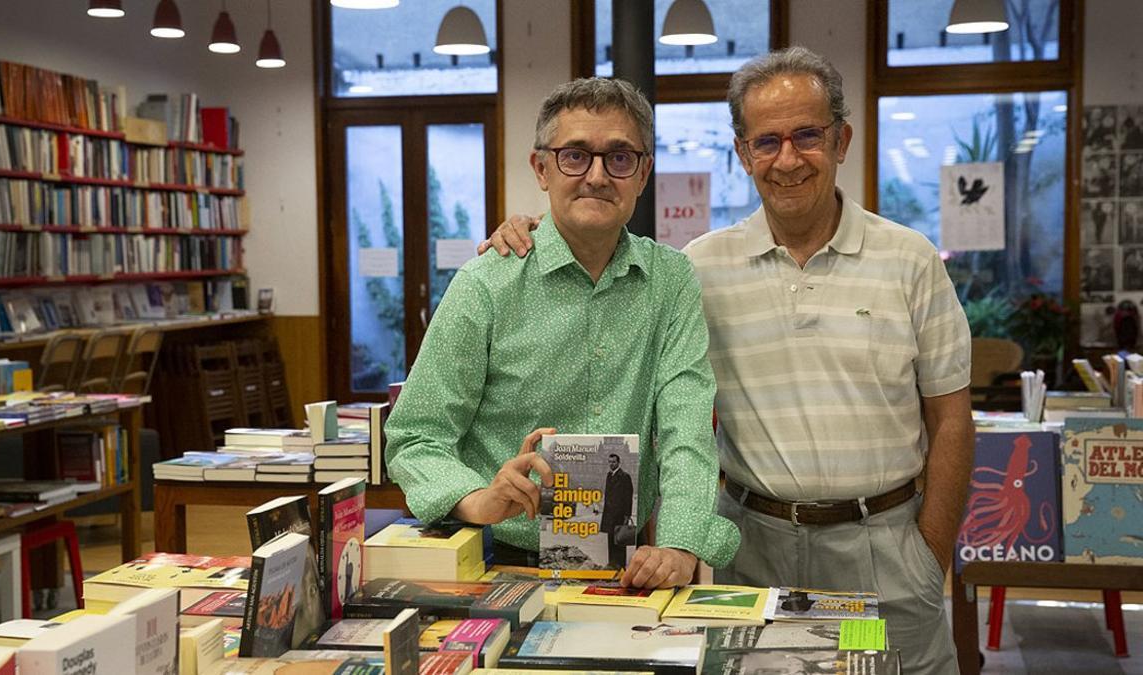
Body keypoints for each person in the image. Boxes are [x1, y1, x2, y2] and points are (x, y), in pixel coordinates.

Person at [481, 47, 974, 674]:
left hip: (887, 545)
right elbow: (679, 420)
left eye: (807, 136)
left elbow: (952, 420)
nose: (787, 159)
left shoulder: (911, 260)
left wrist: (931, 553)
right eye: (766, 141)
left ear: (842, 139)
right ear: (743, 153)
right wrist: (529, 230)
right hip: (752, 547)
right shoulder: (698, 269)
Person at [384, 77, 740, 590]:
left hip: (628, 566)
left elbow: (687, 429)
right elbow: (417, 435)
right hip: (498, 562)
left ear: (643, 174)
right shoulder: (487, 283)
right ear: (542, 168)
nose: (597, 176)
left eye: (619, 158)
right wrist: (478, 499)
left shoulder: (670, 281)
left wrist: (680, 544)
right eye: (575, 156)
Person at [601, 452, 634, 568]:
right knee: (610, 540)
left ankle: (620, 564)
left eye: (613, 462)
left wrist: (627, 515)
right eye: (610, 462)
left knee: (620, 540)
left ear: (618, 462)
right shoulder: (609, 476)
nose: (611, 464)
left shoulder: (625, 476)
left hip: (620, 515)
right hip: (610, 514)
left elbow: (628, 497)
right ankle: (612, 563)